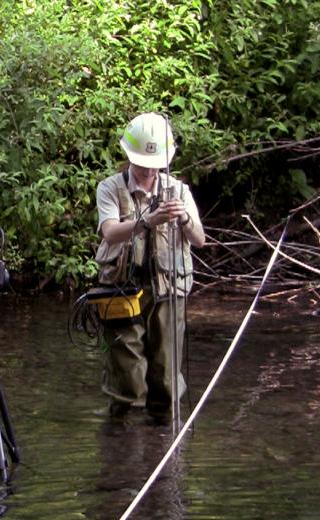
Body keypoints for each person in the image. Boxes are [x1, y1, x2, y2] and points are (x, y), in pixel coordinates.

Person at [93, 112, 206, 420]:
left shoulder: (179, 191)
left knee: (166, 380)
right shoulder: (109, 188)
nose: (149, 171)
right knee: (128, 380)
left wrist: (183, 218)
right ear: (129, 157)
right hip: (121, 291)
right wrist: (147, 221)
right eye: (142, 164)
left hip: (169, 291)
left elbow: (199, 240)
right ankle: (124, 451)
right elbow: (109, 231)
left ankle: (162, 451)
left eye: (155, 165)